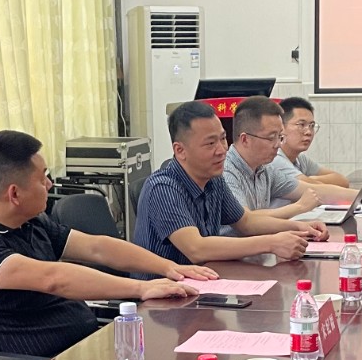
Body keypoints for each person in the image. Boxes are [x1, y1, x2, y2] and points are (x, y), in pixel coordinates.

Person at [0, 130, 216, 357]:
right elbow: (54, 279)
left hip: (86, 347)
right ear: (14, 194)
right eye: (42, 178)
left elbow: (97, 247)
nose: (49, 184)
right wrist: (141, 288)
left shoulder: (30, 224)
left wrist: (169, 267)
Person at [134, 101, 326, 265]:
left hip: (204, 281)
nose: (221, 150)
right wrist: (271, 243)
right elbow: (196, 248)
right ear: (180, 151)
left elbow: (246, 222)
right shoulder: (163, 188)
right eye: (210, 143)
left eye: (223, 138)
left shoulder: (214, 181)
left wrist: (300, 227)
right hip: (164, 292)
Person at [222, 96, 323, 219]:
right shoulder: (226, 172)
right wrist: (299, 207)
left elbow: (314, 190)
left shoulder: (265, 170)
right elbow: (245, 219)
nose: (278, 144)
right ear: (245, 139)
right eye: (271, 138)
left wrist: (348, 197)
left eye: (280, 137)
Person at [270, 96, 351, 194]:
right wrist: (310, 182)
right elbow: (316, 190)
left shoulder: (300, 159)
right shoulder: (275, 158)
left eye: (311, 126)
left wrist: (310, 179)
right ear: (281, 127)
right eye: (301, 125)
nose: (308, 132)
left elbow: (343, 181)